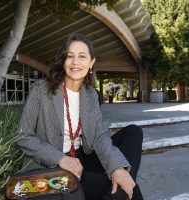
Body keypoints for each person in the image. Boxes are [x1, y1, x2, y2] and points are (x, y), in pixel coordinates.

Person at [16, 32, 144, 200]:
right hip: (52, 164)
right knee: (131, 191)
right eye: (70, 56)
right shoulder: (41, 90)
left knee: (134, 132)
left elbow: (99, 135)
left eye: (82, 56)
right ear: (63, 61)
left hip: (83, 157)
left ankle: (122, 180)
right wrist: (60, 158)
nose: (76, 62)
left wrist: (117, 168)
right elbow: (23, 136)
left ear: (91, 62)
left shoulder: (91, 94)